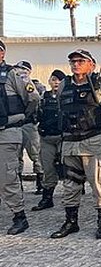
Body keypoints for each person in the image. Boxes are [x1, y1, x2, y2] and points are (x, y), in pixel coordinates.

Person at [51, 48, 101, 240]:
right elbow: (60, 109)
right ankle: (71, 222)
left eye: (81, 61)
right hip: (70, 142)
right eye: (73, 61)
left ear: (91, 64)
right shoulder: (64, 84)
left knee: (98, 183)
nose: (76, 64)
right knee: (70, 184)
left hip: (93, 142)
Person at [0, 40, 40, 234]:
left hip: (7, 132)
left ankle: (19, 217)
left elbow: (33, 98)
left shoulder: (14, 74)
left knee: (7, 177)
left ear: (2, 53)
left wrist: (22, 116)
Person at [32, 69, 66, 212]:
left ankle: (74, 195)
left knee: (68, 168)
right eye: (53, 79)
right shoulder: (43, 98)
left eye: (59, 80)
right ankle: (47, 198)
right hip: (47, 138)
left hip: (64, 138)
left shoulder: (67, 96)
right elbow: (36, 113)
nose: (56, 82)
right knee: (48, 168)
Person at [13, 60, 44, 195]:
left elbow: (36, 100)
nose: (21, 73)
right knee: (15, 156)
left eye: (24, 70)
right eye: (19, 69)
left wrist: (27, 113)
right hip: (15, 125)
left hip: (29, 124)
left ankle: (41, 183)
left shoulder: (36, 86)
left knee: (35, 154)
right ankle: (17, 184)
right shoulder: (12, 85)